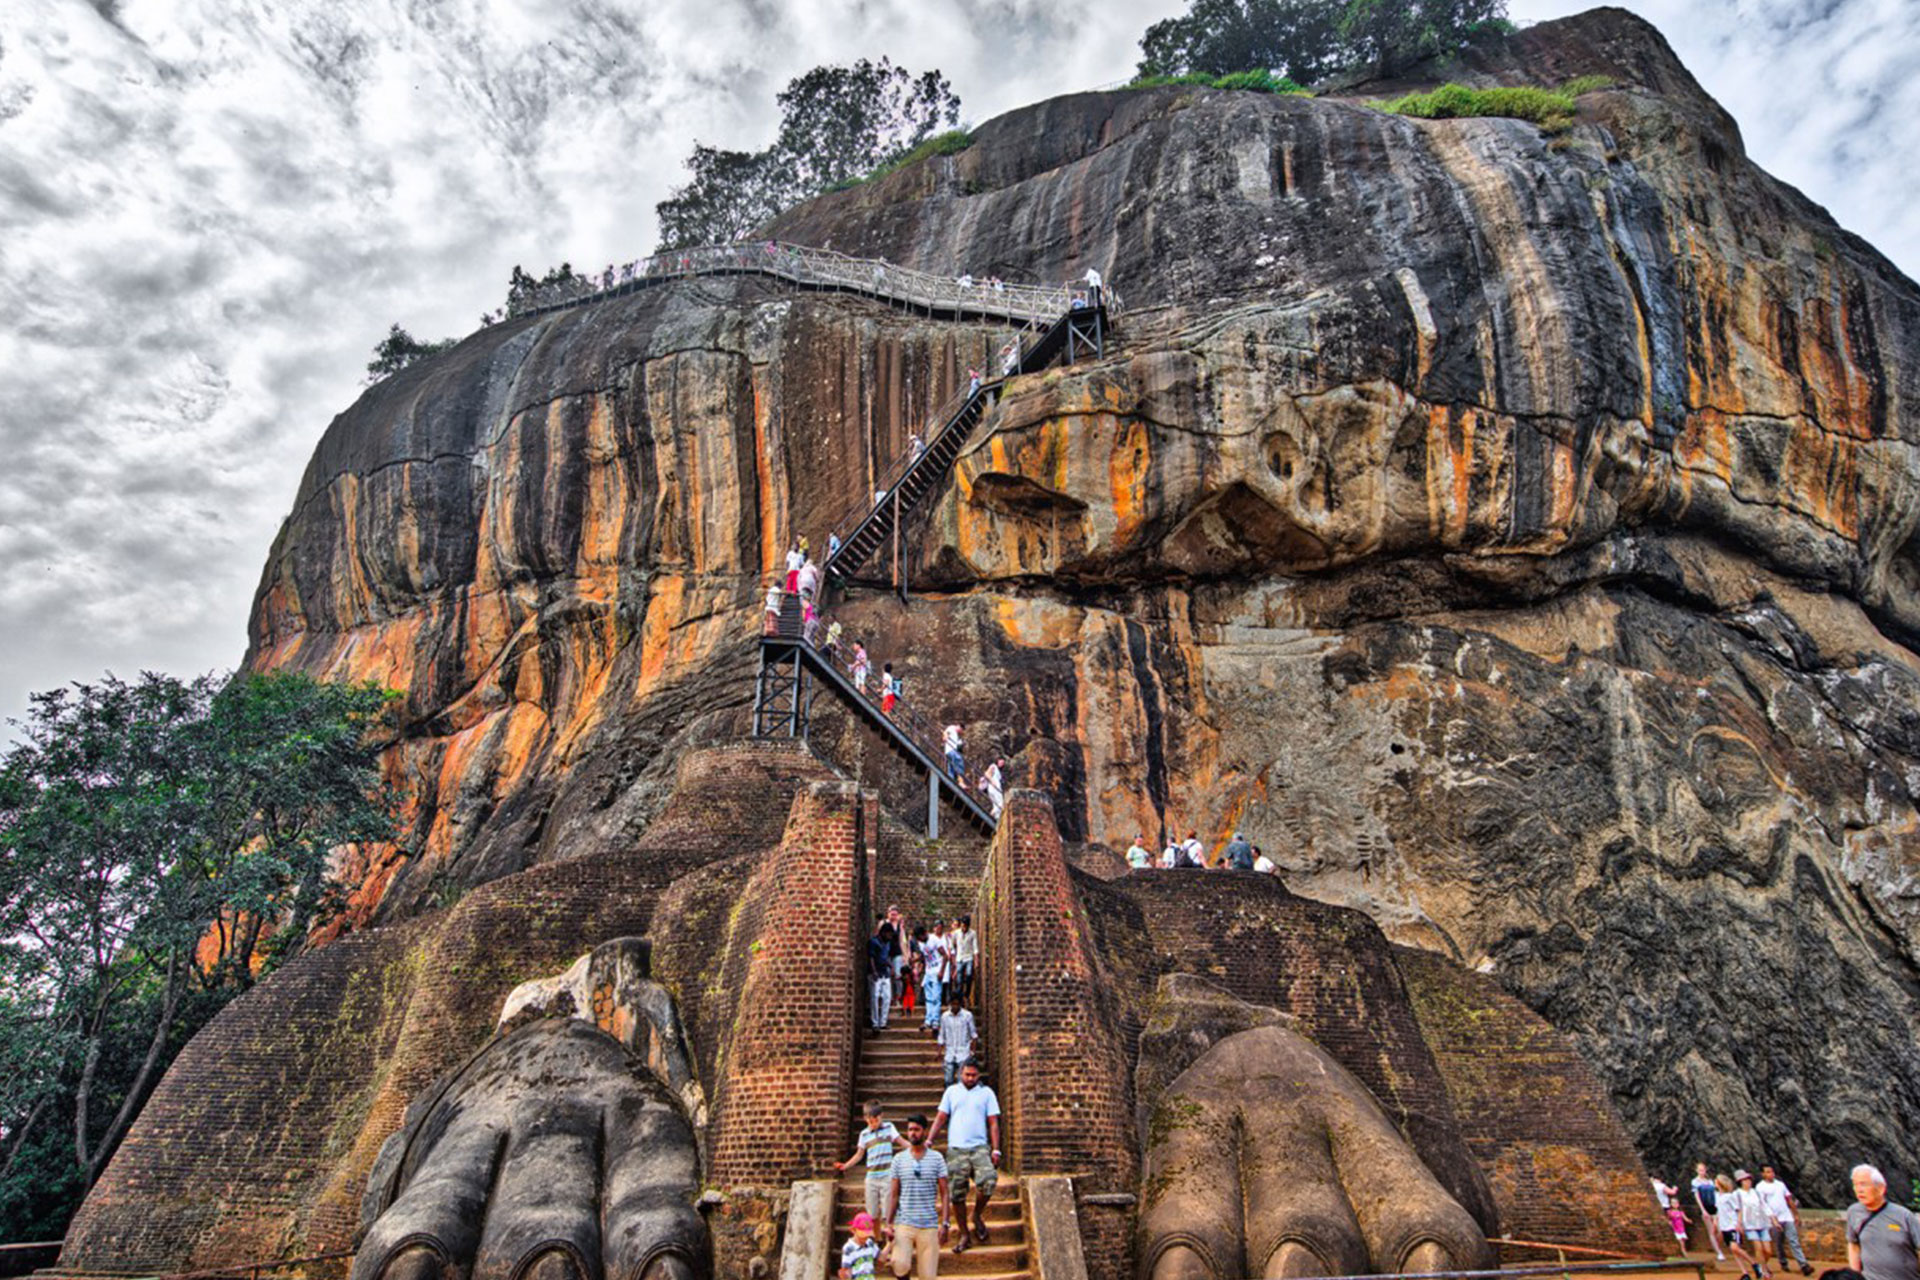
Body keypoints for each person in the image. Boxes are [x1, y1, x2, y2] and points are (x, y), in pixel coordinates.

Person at [928, 1061, 1001, 1253]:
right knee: (957, 1193)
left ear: (978, 1076)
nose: (970, 1078)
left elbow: (993, 1123)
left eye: (974, 1075)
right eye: (967, 1075)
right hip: (956, 1149)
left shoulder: (986, 1093)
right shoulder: (951, 1092)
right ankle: (964, 1234)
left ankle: (976, 1215)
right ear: (960, 1073)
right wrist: (929, 1139)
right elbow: (941, 1117)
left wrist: (996, 1149)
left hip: (979, 1148)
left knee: (988, 1181)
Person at [885, 1115, 949, 1280]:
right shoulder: (898, 1159)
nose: (912, 1133)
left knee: (928, 1276)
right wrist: (888, 1223)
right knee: (899, 1264)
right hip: (904, 1223)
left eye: (916, 1130)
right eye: (910, 1129)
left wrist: (945, 1223)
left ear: (925, 1132)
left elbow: (945, 1192)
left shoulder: (937, 1158)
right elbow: (893, 1194)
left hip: (929, 1224)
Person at [1848, 1164, 1920, 1280]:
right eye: (1855, 1185)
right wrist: (1855, 1275)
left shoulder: (1903, 1216)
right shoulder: (1854, 1212)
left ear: (1881, 1188)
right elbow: (1853, 1244)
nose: (1859, 1189)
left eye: (1864, 1184)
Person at [836, 1102, 901, 1222]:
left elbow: (901, 1141)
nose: (874, 1124)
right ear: (865, 1119)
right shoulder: (864, 1134)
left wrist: (914, 1148)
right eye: (870, 1121)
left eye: (876, 1120)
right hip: (871, 1177)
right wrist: (846, 1165)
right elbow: (859, 1154)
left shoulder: (889, 1128)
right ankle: (876, 1239)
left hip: (887, 1176)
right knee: (872, 1214)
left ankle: (889, 1238)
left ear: (881, 1116)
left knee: (888, 1212)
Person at [1759, 1166, 1811, 1275]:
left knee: (1794, 1240)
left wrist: (1795, 1214)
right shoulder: (1760, 1187)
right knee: (1779, 1243)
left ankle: (1803, 1265)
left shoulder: (1780, 1185)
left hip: (1786, 1216)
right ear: (1763, 1174)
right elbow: (1763, 1205)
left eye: (1772, 1171)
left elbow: (1788, 1199)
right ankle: (1783, 1263)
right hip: (1773, 1219)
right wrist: (1773, 1218)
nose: (1771, 1174)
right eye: (1768, 1172)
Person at [1717, 1174, 1761, 1280]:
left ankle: (1754, 1264)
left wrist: (1739, 1223)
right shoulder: (1718, 1196)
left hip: (1733, 1226)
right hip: (1724, 1227)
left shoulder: (1730, 1196)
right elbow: (1719, 1212)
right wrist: (1717, 1225)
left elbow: (1739, 1209)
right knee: (1734, 1251)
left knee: (1735, 1247)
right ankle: (1745, 1273)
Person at [1734, 1170, 1774, 1276]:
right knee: (1758, 1247)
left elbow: (1764, 1206)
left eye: (1748, 1179)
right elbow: (1738, 1210)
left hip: (1762, 1222)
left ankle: (1762, 1266)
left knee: (1768, 1250)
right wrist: (1739, 1224)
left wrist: (1773, 1219)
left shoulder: (1756, 1192)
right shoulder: (1737, 1194)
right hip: (1749, 1225)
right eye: (1745, 1180)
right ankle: (1764, 1272)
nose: (1748, 1182)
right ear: (1740, 1182)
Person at [937, 998, 977, 1086]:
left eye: (957, 1004)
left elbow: (973, 1034)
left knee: (961, 1080)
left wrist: (972, 1051)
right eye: (953, 1004)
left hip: (963, 1052)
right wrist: (939, 1051)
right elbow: (941, 1034)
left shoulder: (967, 1016)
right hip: (949, 1053)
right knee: (948, 1079)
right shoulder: (945, 1017)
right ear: (950, 1004)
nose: (955, 1006)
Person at [1693, 1162, 1728, 1262]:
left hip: (1714, 1207)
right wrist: (1703, 1210)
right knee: (1711, 1231)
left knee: (1720, 1230)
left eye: (1703, 1169)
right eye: (1700, 1170)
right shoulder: (1695, 1182)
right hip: (1705, 1207)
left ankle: (1717, 1246)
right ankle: (1719, 1252)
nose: (1702, 1172)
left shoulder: (1710, 1181)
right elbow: (1697, 1196)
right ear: (1696, 1171)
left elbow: (1716, 1194)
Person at [868, 917, 895, 1029]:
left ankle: (883, 1022)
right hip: (876, 973)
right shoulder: (874, 942)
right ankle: (875, 1022)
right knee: (874, 997)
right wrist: (873, 971)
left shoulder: (887, 944)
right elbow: (871, 957)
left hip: (885, 973)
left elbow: (885, 957)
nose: (890, 937)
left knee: (887, 997)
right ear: (883, 933)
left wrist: (891, 966)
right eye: (889, 935)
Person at [841, 1211, 882, 1280]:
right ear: (854, 1230)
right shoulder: (849, 1248)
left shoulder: (869, 1243)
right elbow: (846, 1270)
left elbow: (880, 1257)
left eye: (867, 1236)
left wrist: (890, 1244)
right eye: (863, 1236)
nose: (865, 1238)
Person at [951, 916, 976, 1006]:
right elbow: (952, 945)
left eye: (965, 926)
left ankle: (967, 994)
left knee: (969, 974)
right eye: (962, 926)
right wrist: (953, 958)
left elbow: (975, 948)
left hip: (969, 957)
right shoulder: (956, 933)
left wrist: (976, 961)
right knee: (959, 979)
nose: (964, 928)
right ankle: (960, 997)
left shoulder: (973, 933)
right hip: (959, 958)